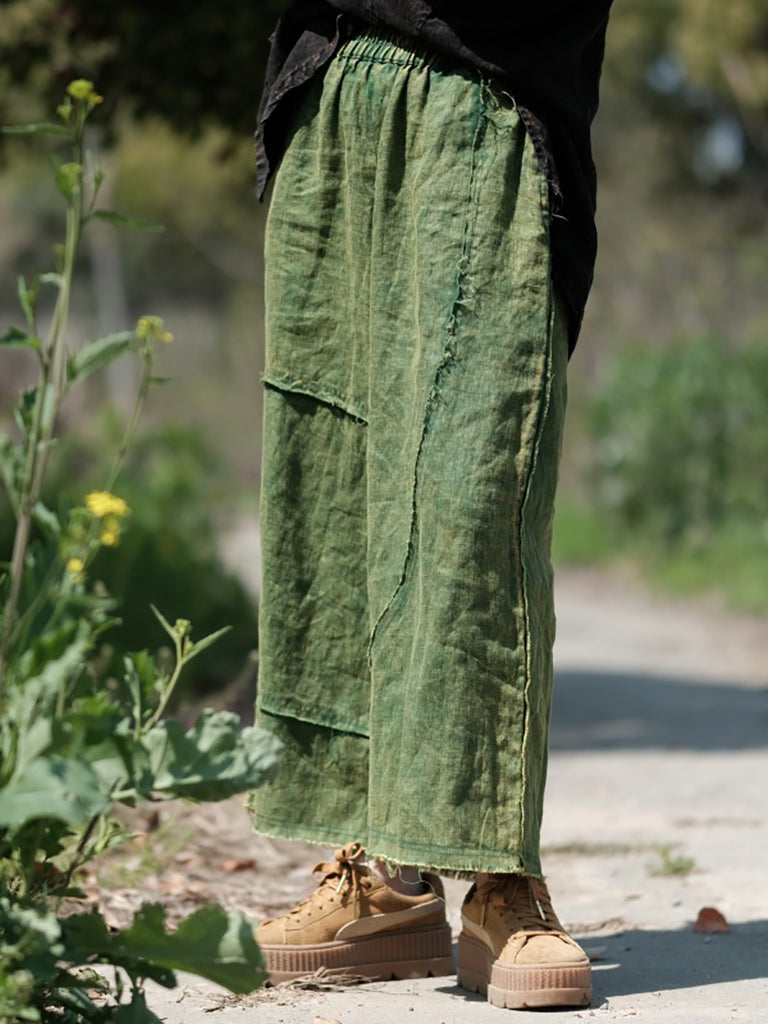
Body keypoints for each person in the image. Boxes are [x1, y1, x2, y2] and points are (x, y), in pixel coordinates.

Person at [251, 1, 613, 1011]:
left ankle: (500, 874)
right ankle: (388, 880)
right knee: (339, 486)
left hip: (492, 101)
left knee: (474, 501)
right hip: (337, 91)